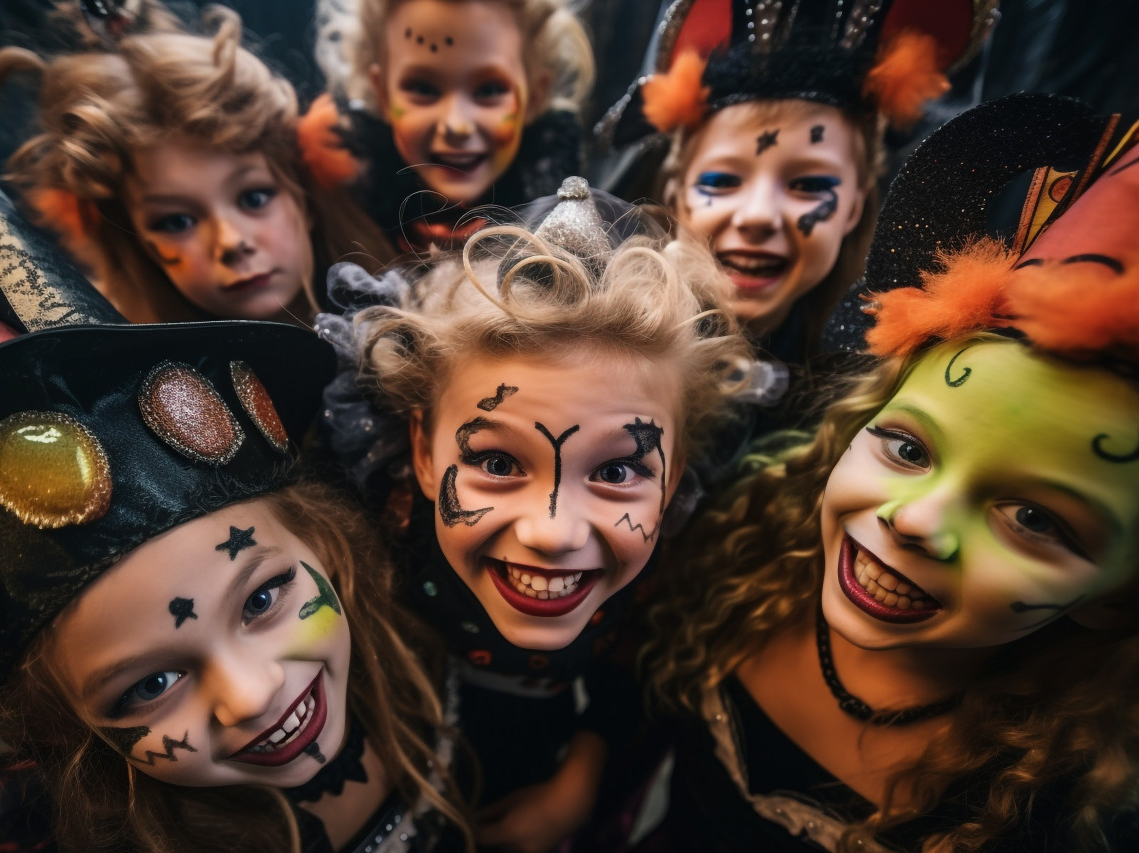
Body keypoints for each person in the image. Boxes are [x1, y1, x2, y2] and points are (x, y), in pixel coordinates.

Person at [0, 228, 470, 852]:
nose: (252, 696)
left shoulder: (438, 641)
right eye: (149, 687)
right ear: (57, 725)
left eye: (261, 600)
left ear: (324, 544)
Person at [638, 95, 1139, 851]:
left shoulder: (1063, 807)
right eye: (908, 448)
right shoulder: (741, 547)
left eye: (1036, 518)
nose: (915, 519)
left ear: (1118, 595)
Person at [321, 176, 753, 850]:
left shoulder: (672, 560)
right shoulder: (377, 534)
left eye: (615, 471)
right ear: (424, 453)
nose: (553, 532)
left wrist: (582, 774)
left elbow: (635, 661)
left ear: (674, 474)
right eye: (497, 463)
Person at [600, 0, 997, 367]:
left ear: (853, 209)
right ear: (676, 196)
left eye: (807, 185)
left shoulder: (869, 384)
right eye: (722, 181)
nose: (759, 216)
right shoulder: (596, 344)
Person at [0, 2, 393, 324]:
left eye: (254, 197)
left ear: (302, 192)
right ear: (136, 244)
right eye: (176, 222)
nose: (231, 242)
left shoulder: (415, 301)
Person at [314, 0, 594, 253]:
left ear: (533, 98)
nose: (456, 125)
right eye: (423, 88)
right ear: (383, 95)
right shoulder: (348, 201)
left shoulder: (566, 209)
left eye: (489, 89)